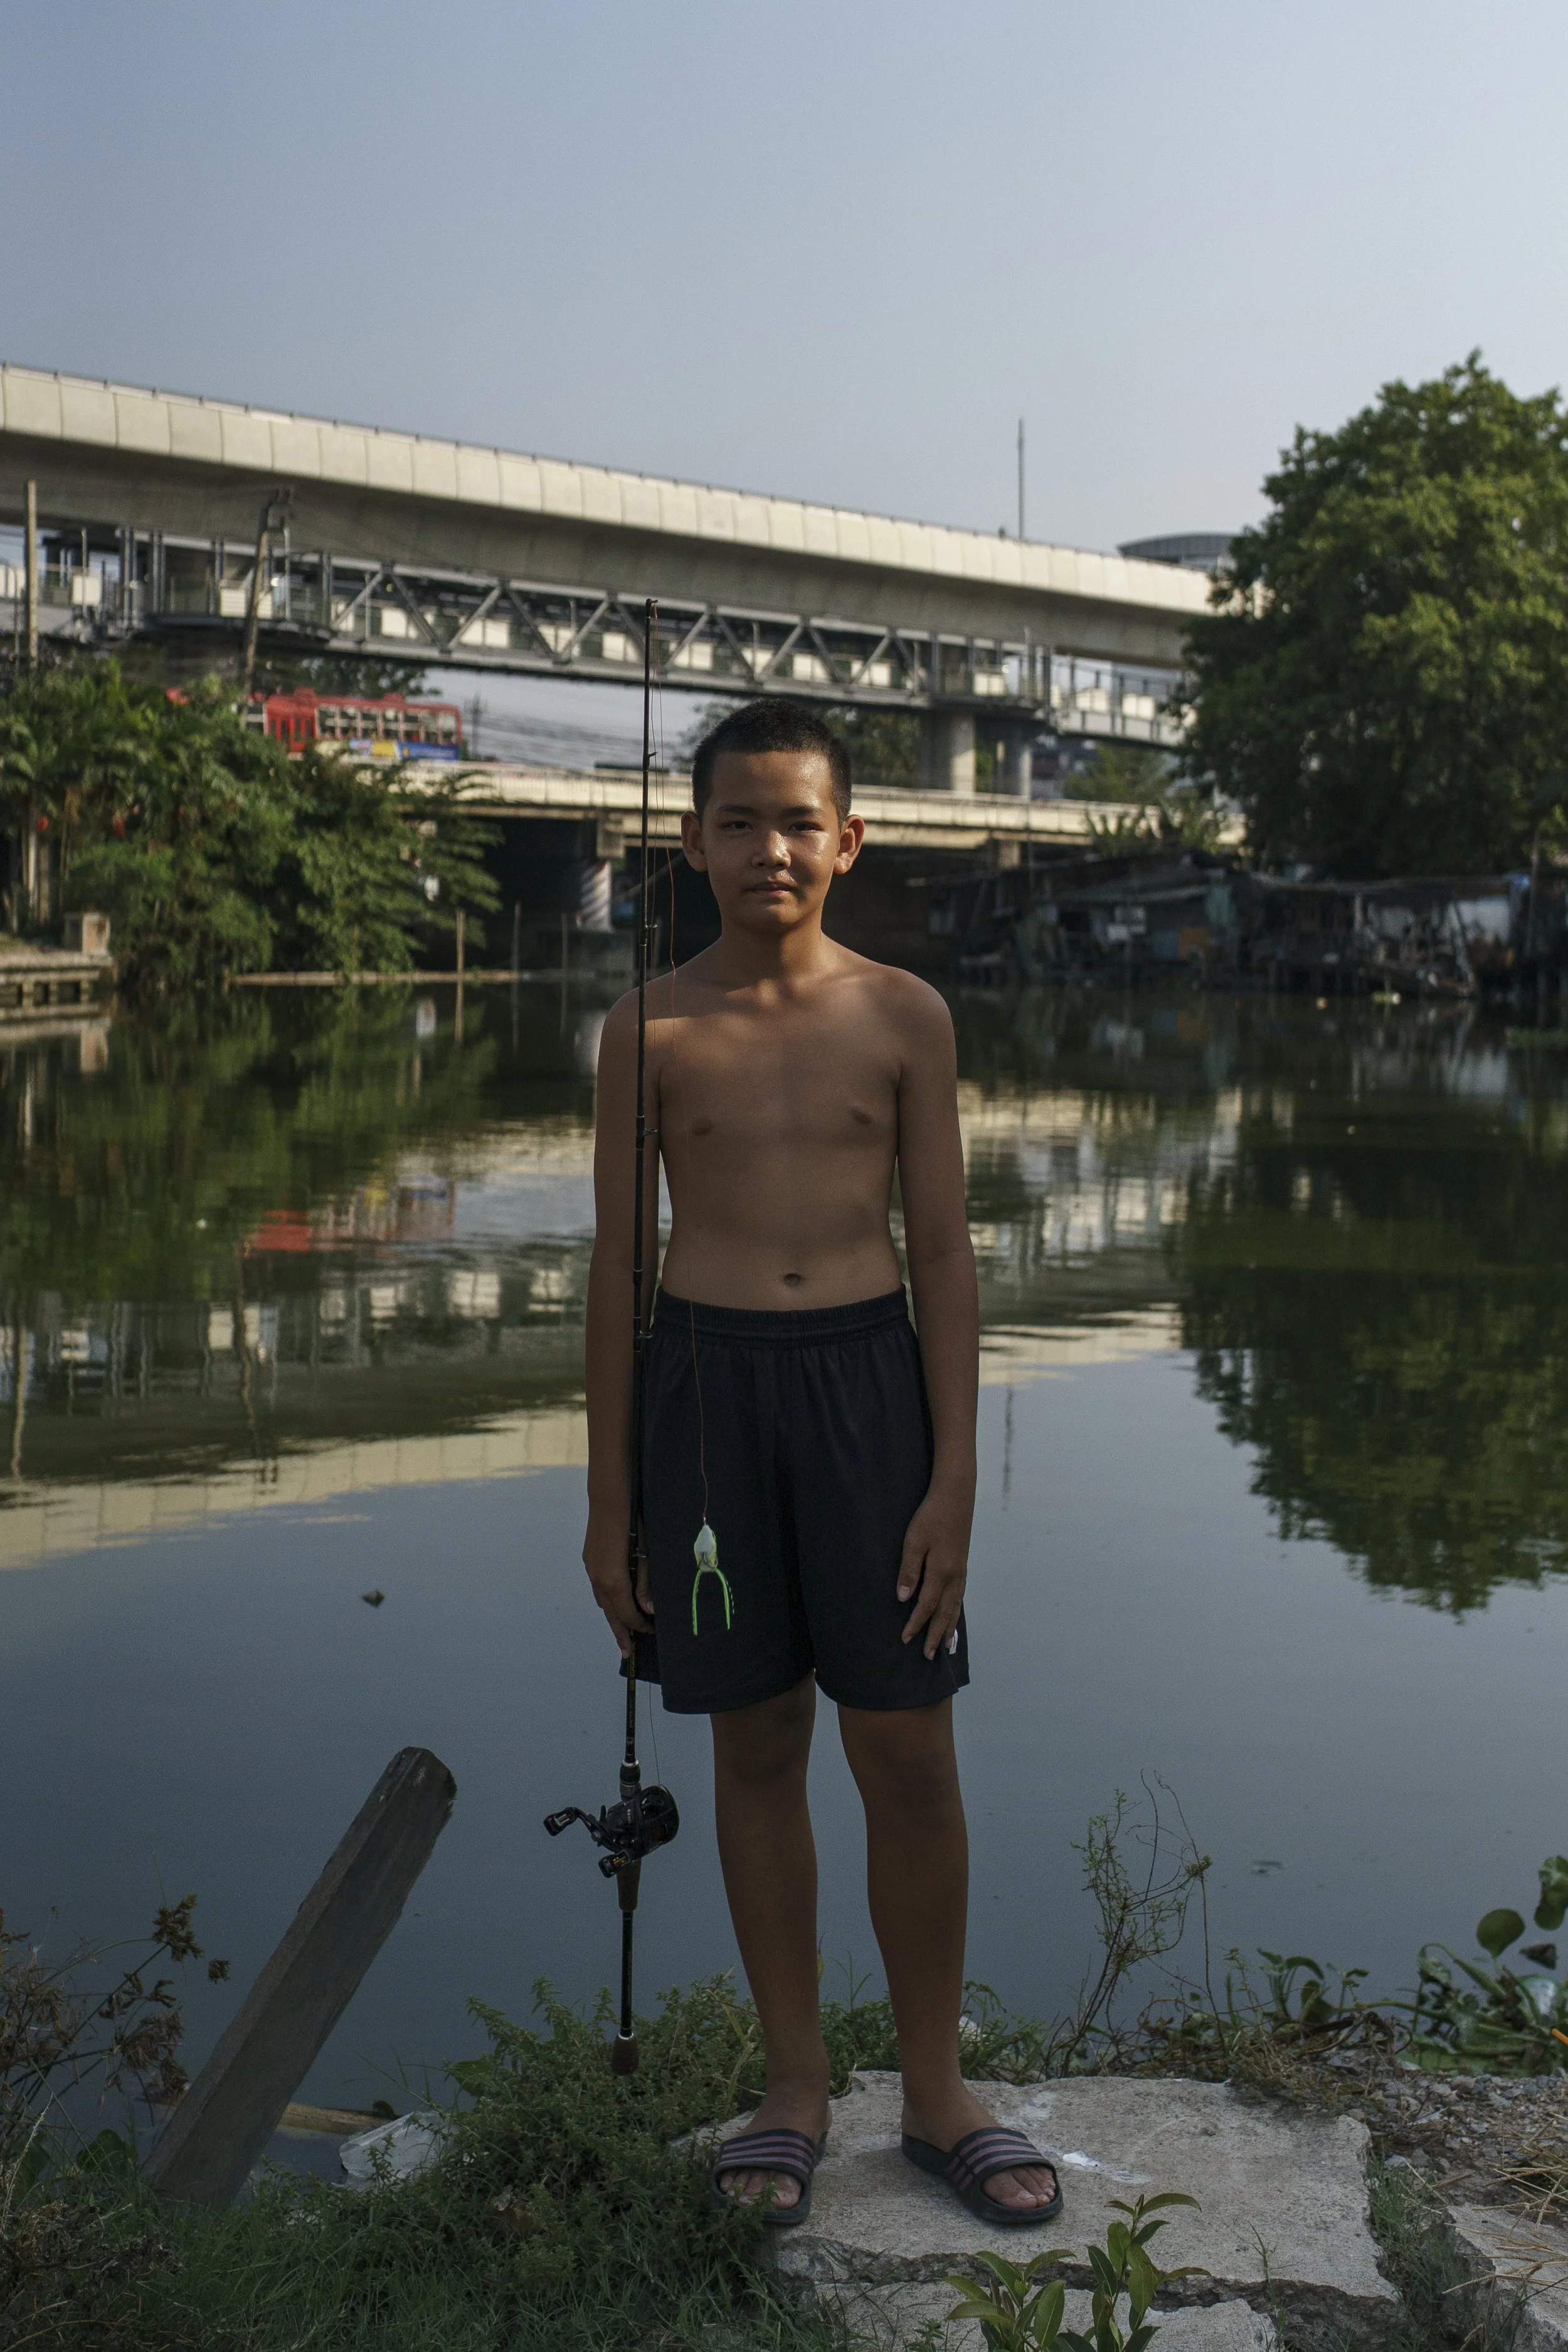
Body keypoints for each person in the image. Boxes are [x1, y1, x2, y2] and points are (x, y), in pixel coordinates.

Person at [582, 699, 1060, 2230]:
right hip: (708, 1395)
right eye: (737, 820)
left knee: (907, 1746)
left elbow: (941, 1250)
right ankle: (794, 2089)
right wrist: (611, 1510)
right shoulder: (646, 1026)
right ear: (691, 839)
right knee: (754, 1743)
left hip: (870, 1390)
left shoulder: (905, 1015)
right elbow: (612, 1272)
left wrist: (956, 1479)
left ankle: (935, 2092)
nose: (768, 848)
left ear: (847, 841)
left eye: (798, 822)